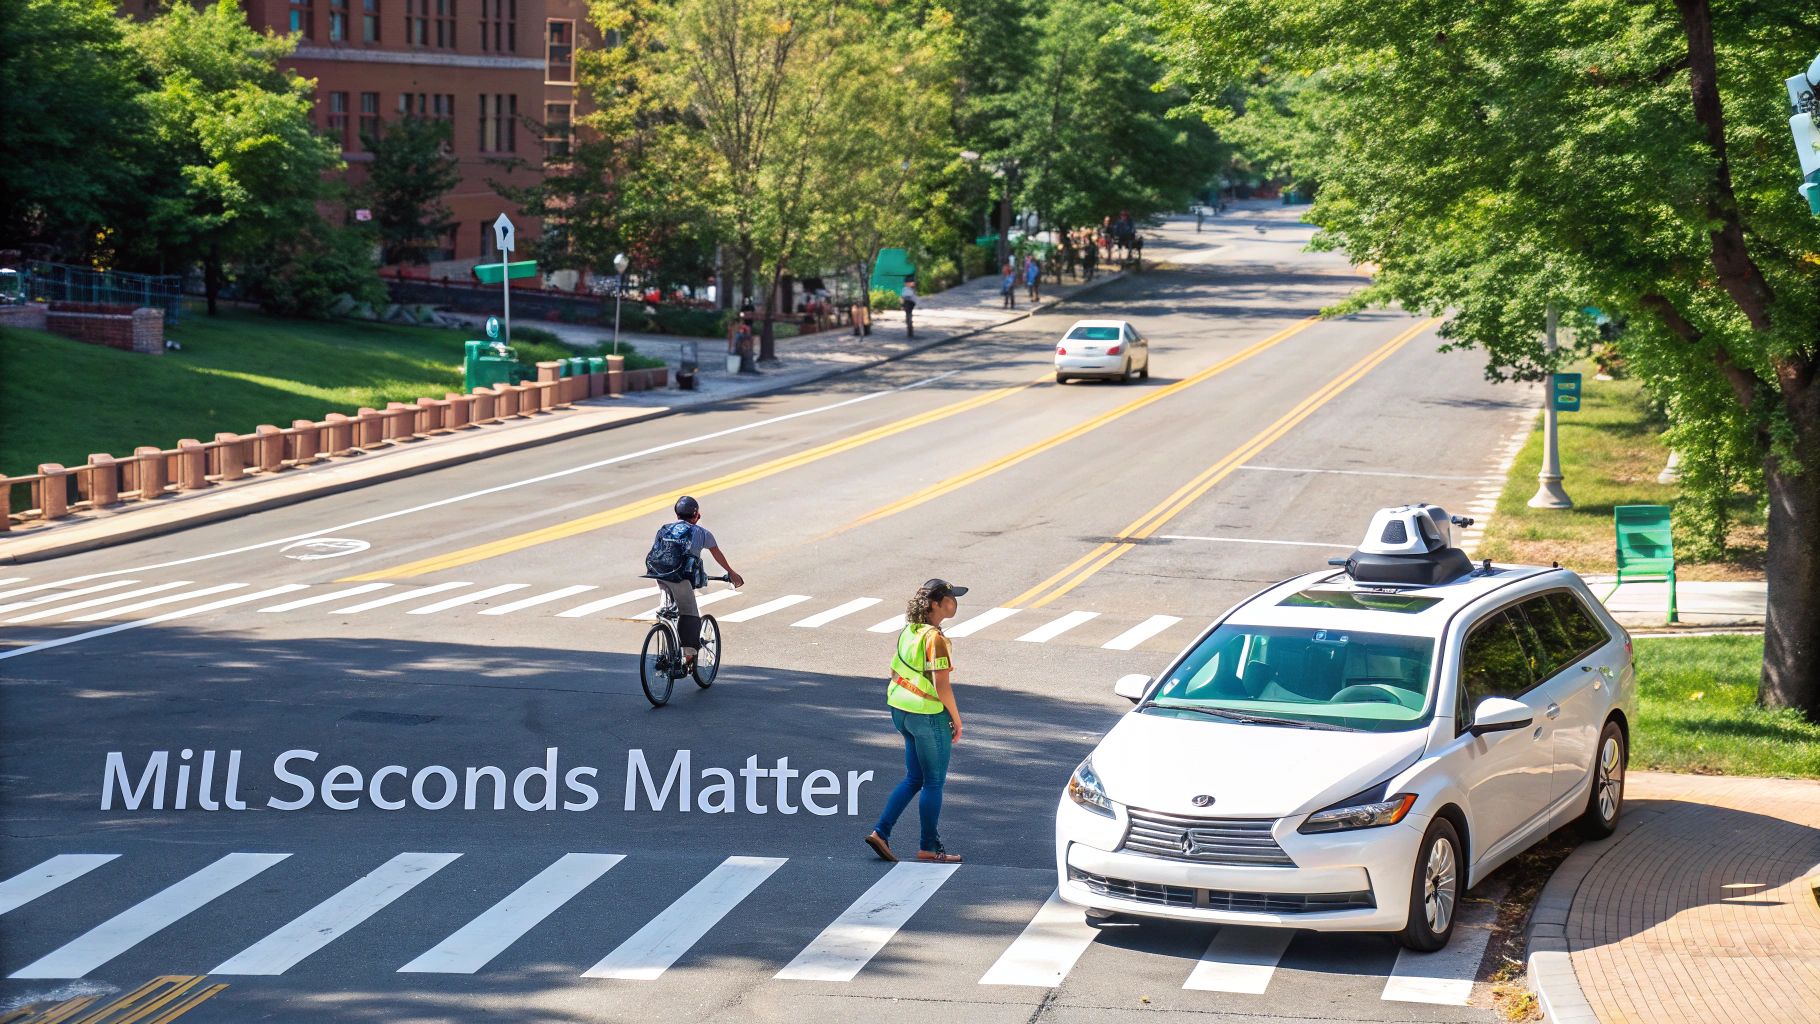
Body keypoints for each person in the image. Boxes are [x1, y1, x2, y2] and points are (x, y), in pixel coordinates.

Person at [865, 579, 968, 864]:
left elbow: (894, 668)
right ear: (935, 603)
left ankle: (880, 832)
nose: (954, 602)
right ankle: (928, 847)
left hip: (901, 710)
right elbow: (941, 685)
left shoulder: (909, 631)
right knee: (933, 782)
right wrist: (956, 720)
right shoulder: (934, 639)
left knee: (914, 778)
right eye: (950, 597)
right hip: (926, 714)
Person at [643, 496, 745, 671]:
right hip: (680, 576)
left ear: (677, 514)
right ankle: (689, 654)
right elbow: (716, 553)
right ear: (696, 514)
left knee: (667, 596)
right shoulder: (701, 532)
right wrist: (732, 573)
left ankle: (663, 611)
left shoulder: (664, 529)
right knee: (689, 613)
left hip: (658, 572)